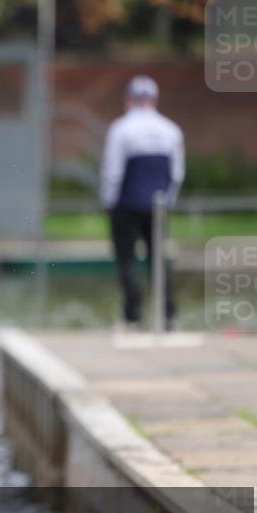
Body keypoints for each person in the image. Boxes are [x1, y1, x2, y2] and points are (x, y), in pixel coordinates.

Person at [100, 75, 184, 331]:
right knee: (159, 260)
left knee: (127, 261)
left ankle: (132, 317)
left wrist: (108, 202)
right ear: (155, 100)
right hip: (158, 206)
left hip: (127, 204)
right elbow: (177, 174)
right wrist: (169, 202)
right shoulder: (171, 130)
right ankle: (168, 316)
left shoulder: (121, 129)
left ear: (129, 100)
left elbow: (112, 172)